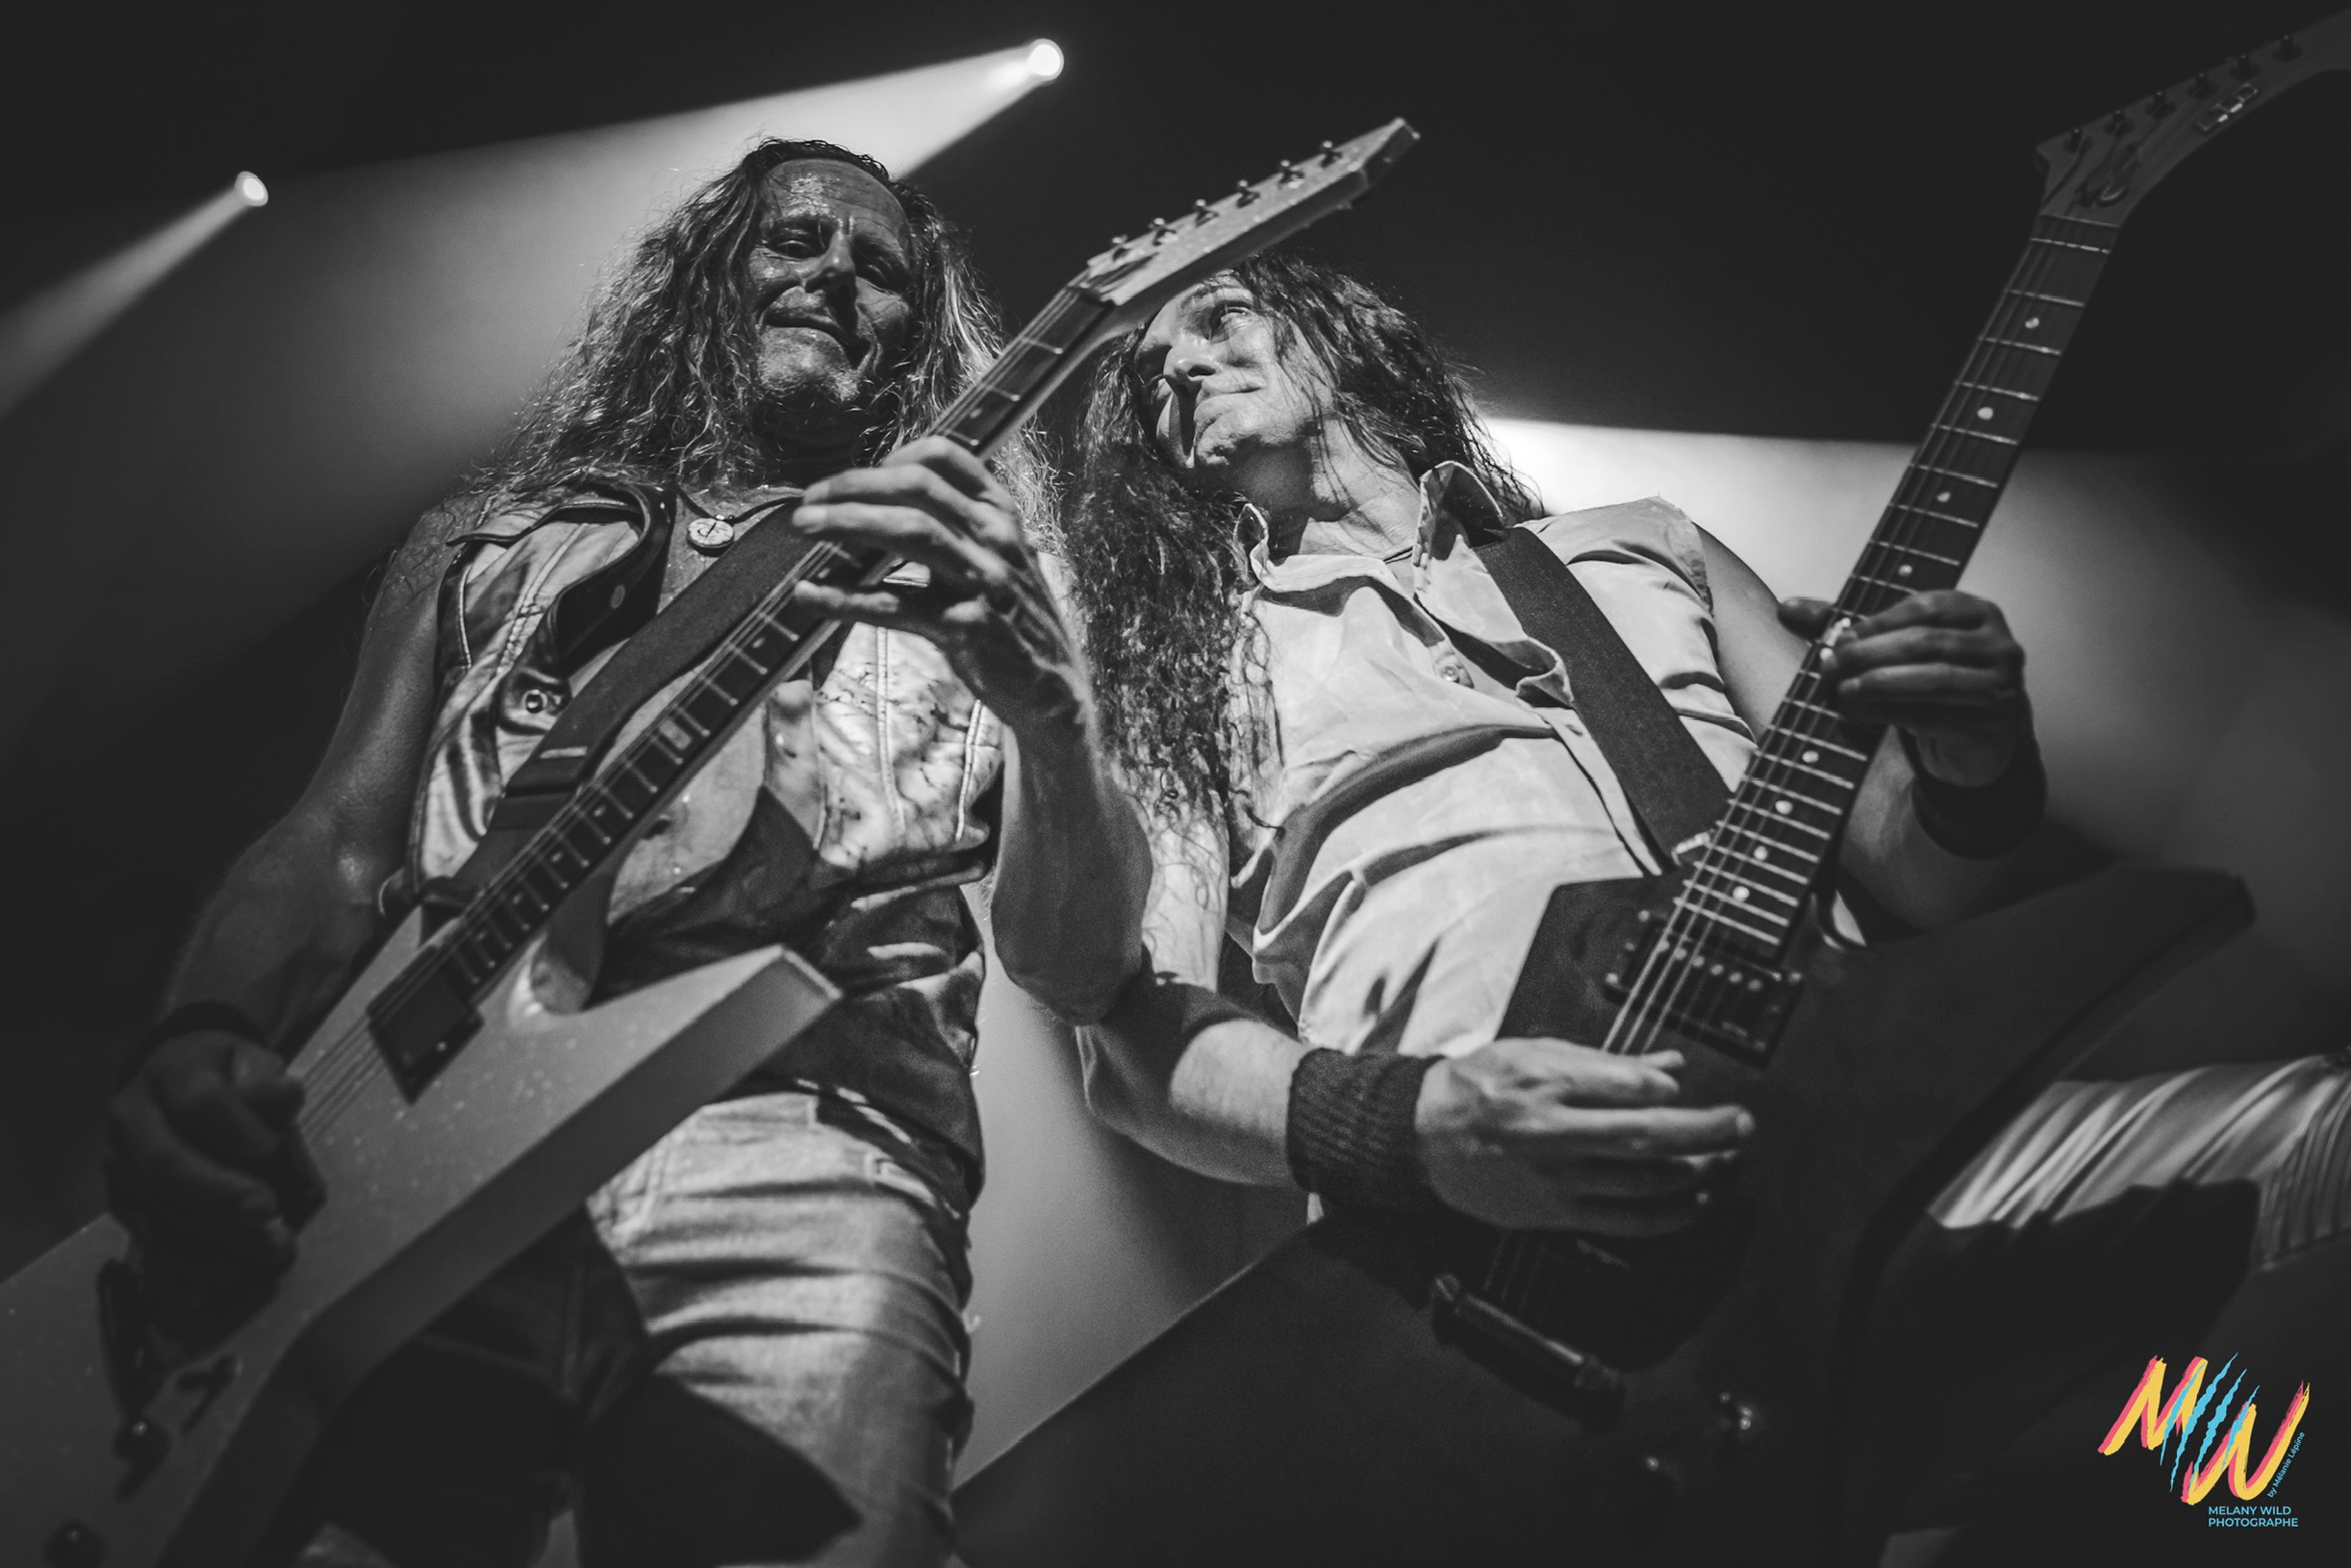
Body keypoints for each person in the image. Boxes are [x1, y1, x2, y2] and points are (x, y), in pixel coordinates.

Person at [1052, 252, 2351, 1554]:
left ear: (1346, 331)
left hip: (1881, 1152)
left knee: (2307, 1199)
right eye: (1154, 374)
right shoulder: (1182, 673)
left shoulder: (1644, 543)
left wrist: (1975, 759)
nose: (1182, 366)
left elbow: (1922, 871)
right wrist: (1416, 1129)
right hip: (1516, 1278)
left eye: (1220, 317)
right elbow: (1135, 1043)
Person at [100, 139, 1147, 1568]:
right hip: (410, 1164)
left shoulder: (979, 571)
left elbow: (1076, 964)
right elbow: (336, 844)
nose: (836, 276)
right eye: (795, 240)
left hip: (803, 1152)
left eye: (881, 269)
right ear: (712, 275)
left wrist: (1055, 715)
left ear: (916, 335)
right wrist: (203, 1032)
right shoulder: (487, 543)